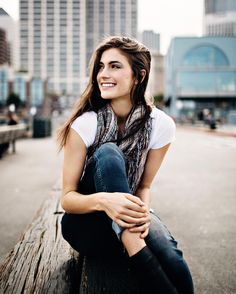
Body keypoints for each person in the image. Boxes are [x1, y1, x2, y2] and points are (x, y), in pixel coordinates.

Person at [58, 36, 194, 293]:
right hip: (87, 226)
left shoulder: (161, 125)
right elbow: (67, 198)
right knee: (108, 152)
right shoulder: (85, 124)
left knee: (172, 259)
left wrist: (142, 217)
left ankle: (133, 239)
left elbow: (143, 187)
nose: (103, 74)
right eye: (101, 66)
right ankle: (133, 244)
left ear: (139, 76)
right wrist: (104, 202)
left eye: (114, 66)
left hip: (128, 213)